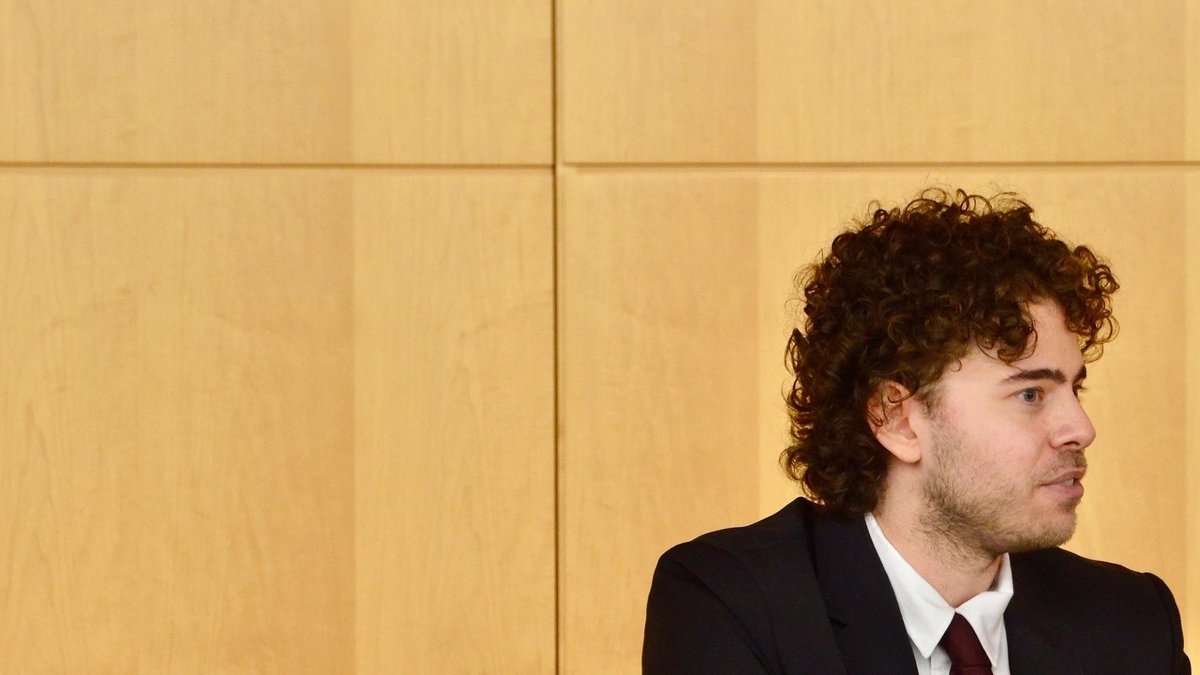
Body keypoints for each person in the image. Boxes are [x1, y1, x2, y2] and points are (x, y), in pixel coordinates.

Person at [642, 189, 1190, 674]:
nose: (1081, 430)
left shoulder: (1132, 621)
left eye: (1076, 389)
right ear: (897, 419)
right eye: (1030, 394)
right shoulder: (731, 603)